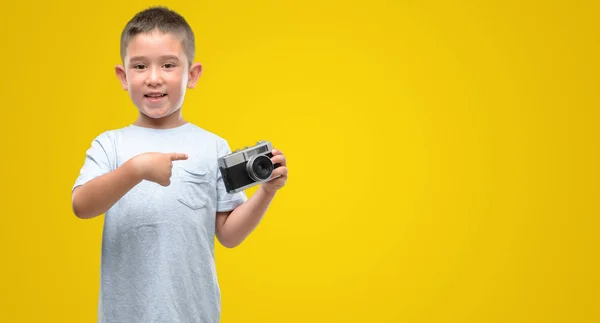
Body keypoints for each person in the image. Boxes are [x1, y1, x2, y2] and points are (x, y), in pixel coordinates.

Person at [71, 6, 288, 323]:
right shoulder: (110, 144)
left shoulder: (213, 146)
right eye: (140, 66)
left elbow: (228, 235)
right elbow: (82, 205)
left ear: (192, 74)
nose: (154, 78)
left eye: (169, 65)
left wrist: (267, 192)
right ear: (123, 76)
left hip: (193, 315)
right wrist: (136, 170)